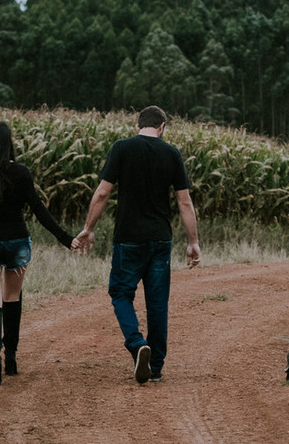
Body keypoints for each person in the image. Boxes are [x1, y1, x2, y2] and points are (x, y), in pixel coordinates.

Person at [73, 105, 201, 384]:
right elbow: (184, 201)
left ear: (137, 125)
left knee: (120, 293)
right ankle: (155, 366)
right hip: (159, 239)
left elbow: (103, 192)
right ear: (162, 126)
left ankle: (136, 342)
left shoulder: (122, 148)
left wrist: (88, 228)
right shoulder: (171, 153)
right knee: (157, 303)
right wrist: (193, 242)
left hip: (128, 238)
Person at [0, 120, 76, 385]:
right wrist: (65, 238)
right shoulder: (22, 172)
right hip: (16, 242)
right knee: (12, 297)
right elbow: (39, 209)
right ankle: (11, 357)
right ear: (9, 143)